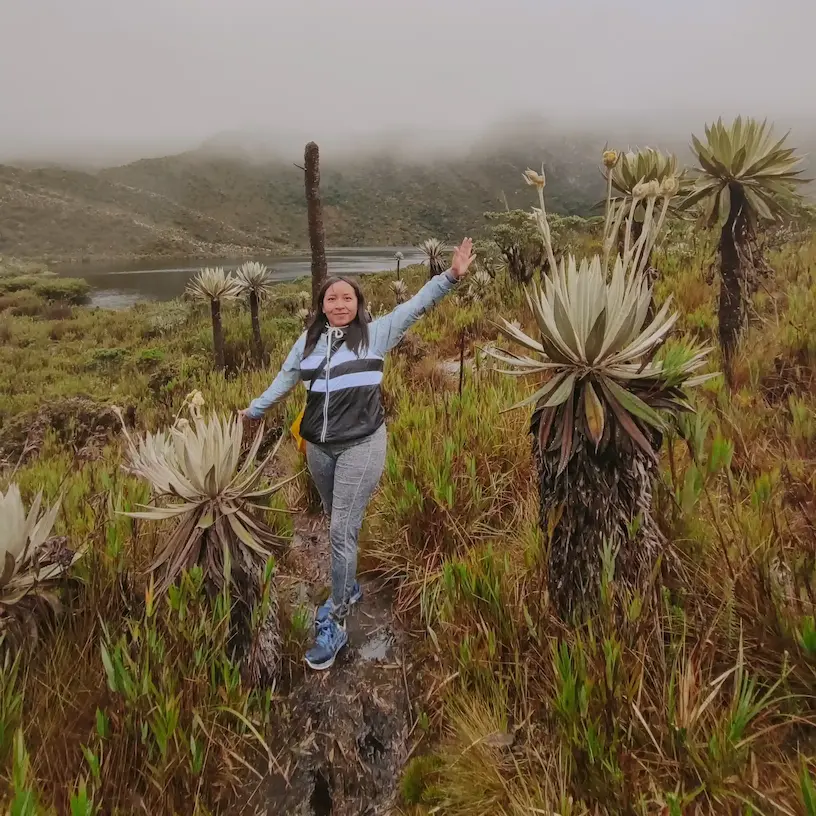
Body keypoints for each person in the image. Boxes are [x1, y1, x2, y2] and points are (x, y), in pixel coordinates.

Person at [240, 238, 476, 670]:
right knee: (337, 522)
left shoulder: (377, 333)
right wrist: (253, 411)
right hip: (318, 448)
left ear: (358, 303)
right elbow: (285, 380)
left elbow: (419, 304)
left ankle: (337, 619)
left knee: (340, 532)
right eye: (332, 298)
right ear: (322, 305)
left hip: (362, 444)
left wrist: (451, 276)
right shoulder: (307, 343)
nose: (340, 303)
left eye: (347, 297)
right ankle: (347, 586)